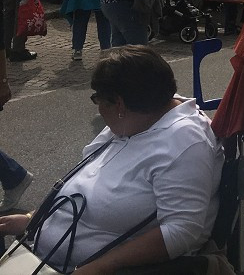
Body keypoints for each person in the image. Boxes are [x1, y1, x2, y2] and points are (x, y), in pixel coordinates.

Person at [0, 46, 224, 272]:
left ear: (119, 104)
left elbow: (181, 231)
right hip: (43, 254)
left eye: (98, 99)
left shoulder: (185, 143)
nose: (98, 110)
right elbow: (84, 184)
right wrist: (33, 218)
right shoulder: (141, 115)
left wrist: (98, 268)